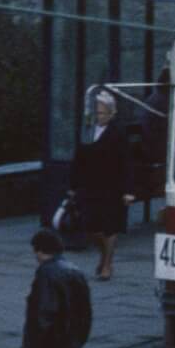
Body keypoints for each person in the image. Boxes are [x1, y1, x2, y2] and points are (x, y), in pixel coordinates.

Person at [69, 91, 136, 280]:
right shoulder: (87, 130)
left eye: (102, 113)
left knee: (109, 227)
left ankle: (107, 264)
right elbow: (78, 158)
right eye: (96, 112)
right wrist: (73, 185)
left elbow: (127, 162)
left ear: (111, 113)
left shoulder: (118, 133)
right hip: (89, 186)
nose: (98, 116)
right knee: (90, 226)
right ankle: (104, 256)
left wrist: (129, 191)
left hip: (112, 187)